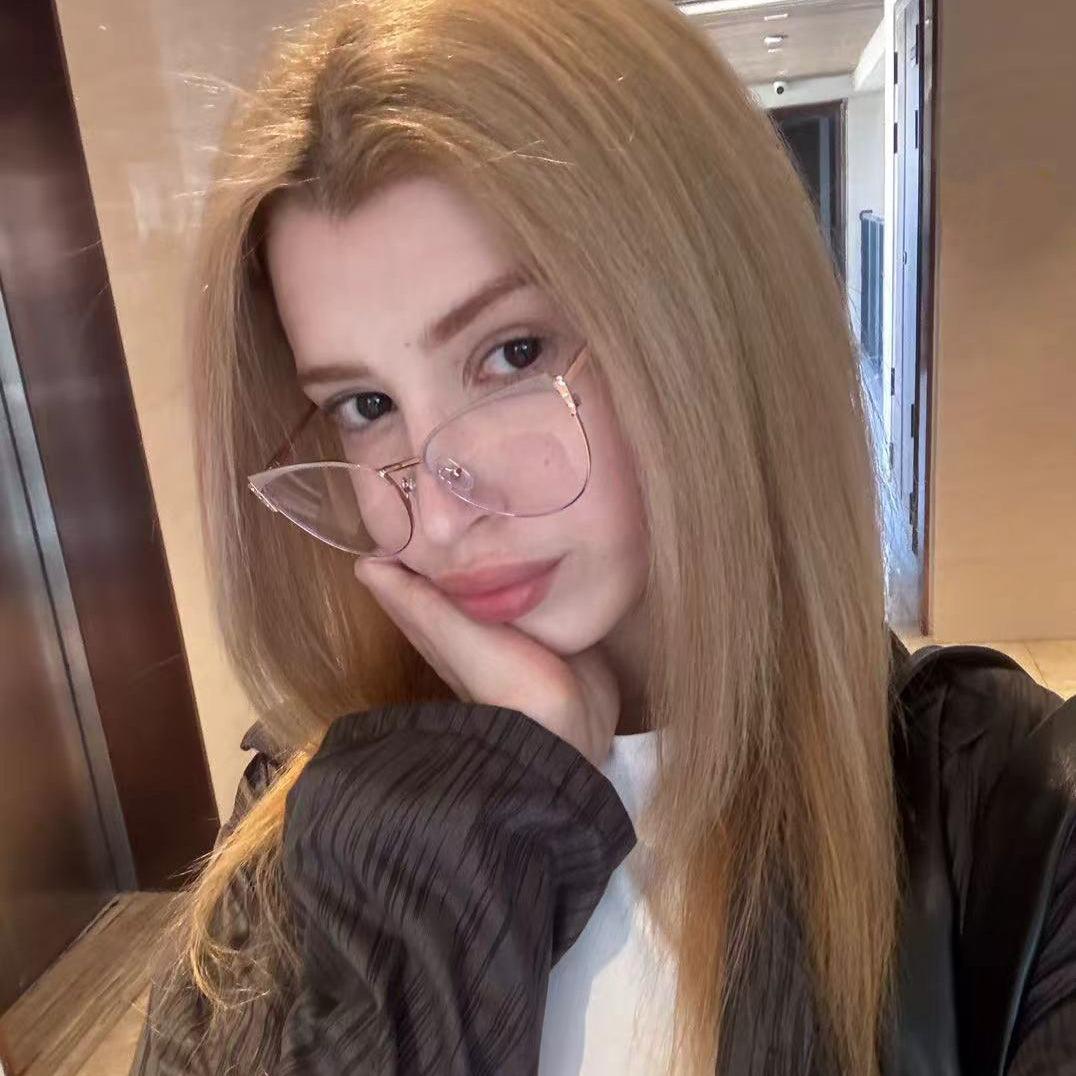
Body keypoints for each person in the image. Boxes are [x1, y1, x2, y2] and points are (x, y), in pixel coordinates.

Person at [130, 0, 1076, 1072]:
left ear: (712, 323)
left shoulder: (1013, 819)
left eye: (514, 353)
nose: (436, 512)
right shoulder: (309, 805)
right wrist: (476, 817)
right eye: (364, 405)